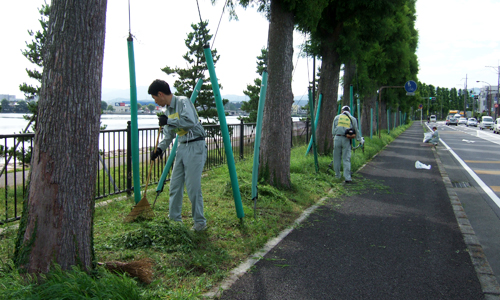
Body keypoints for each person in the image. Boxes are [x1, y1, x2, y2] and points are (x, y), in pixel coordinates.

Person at [148, 79, 208, 231]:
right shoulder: (168, 111)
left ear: (161, 94)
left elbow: (189, 121)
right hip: (181, 147)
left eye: (155, 98)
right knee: (175, 185)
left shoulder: (182, 101)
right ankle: (175, 221)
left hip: (195, 145)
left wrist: (169, 120)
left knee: (193, 187)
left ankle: (200, 223)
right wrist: (159, 149)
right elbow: (168, 136)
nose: (156, 102)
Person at [331, 106, 364, 183]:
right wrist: (360, 140)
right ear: (349, 111)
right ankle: (347, 177)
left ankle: (337, 176)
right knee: (346, 158)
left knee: (336, 158)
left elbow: (333, 130)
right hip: (346, 139)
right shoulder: (352, 119)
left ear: (342, 111)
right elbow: (356, 130)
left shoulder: (337, 117)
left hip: (337, 138)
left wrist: (334, 137)